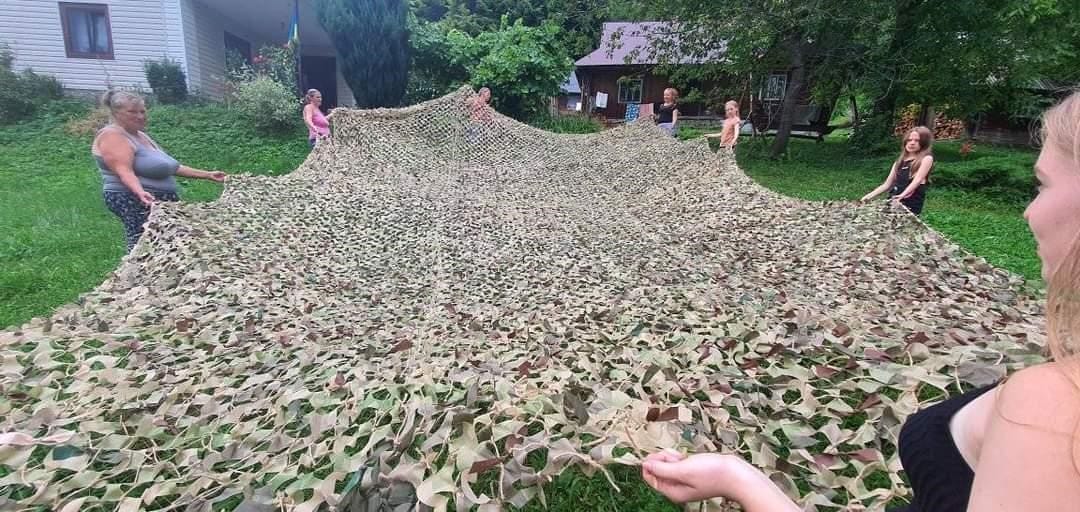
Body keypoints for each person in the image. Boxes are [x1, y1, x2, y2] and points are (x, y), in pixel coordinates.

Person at [642, 91, 1080, 511]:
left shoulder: (1053, 411)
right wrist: (736, 477)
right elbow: (891, 180)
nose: (1028, 211)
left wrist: (737, 480)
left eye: (1041, 185)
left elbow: (909, 186)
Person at [93, 90, 226, 252]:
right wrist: (140, 192)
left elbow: (170, 167)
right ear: (116, 113)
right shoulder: (112, 136)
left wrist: (207, 175)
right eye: (132, 112)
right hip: (133, 199)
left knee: (171, 243)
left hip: (157, 199)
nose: (140, 116)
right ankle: (135, 276)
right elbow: (123, 170)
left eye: (142, 111)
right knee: (145, 244)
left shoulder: (140, 136)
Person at [860, 127, 935, 215]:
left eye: (917, 140)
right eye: (909, 140)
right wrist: (868, 197)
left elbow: (917, 180)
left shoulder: (926, 159)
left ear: (924, 143)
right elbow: (887, 184)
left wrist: (902, 195)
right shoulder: (899, 162)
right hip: (894, 199)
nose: (912, 143)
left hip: (911, 202)